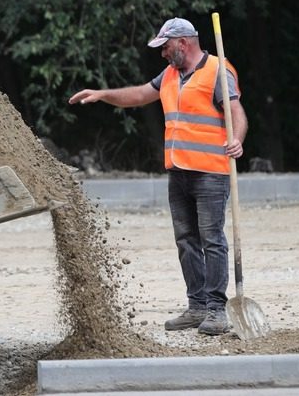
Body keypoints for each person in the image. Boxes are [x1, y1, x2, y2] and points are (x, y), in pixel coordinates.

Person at [69, 17, 247, 335]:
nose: (163, 53)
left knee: (212, 241)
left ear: (183, 43)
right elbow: (139, 95)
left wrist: (237, 140)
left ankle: (217, 310)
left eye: (165, 47)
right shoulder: (170, 74)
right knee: (186, 241)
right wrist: (102, 94)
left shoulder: (218, 71)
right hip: (178, 171)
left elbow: (236, 112)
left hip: (210, 172)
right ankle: (197, 307)